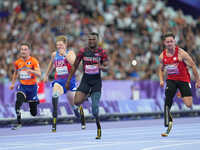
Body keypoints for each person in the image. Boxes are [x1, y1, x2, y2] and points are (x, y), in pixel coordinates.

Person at [66, 32, 109, 139]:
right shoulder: (83, 51)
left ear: (97, 40)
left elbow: (107, 66)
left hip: (96, 82)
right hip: (85, 80)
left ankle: (98, 129)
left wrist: (101, 67)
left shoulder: (101, 52)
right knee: (76, 102)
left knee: (94, 110)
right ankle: (88, 95)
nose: (91, 41)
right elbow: (75, 66)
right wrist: (68, 80)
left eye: (93, 39)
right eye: (89, 39)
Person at [158, 32, 200, 137]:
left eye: (171, 41)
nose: (169, 43)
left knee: (189, 104)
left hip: (183, 80)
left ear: (174, 42)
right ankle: (168, 123)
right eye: (167, 42)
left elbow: (193, 66)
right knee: (167, 100)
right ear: (164, 43)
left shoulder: (181, 53)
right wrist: (161, 80)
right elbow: (160, 69)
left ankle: (180, 92)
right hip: (171, 80)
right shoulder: (162, 56)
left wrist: (198, 80)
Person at [44, 35, 81, 132]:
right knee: (55, 95)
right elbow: (51, 64)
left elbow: (74, 63)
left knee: (72, 101)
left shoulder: (70, 53)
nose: (59, 47)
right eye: (57, 45)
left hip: (69, 81)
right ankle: (54, 120)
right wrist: (46, 75)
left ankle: (75, 109)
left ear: (65, 45)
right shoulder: (54, 54)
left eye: (61, 45)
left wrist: (64, 54)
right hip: (59, 81)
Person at [10, 42, 41, 130]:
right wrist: (12, 84)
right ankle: (19, 123)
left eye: (25, 49)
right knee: (18, 102)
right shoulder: (17, 62)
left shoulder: (34, 61)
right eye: (22, 49)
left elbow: (39, 74)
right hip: (22, 86)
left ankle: (35, 101)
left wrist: (31, 71)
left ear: (29, 51)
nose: (23, 51)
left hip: (32, 88)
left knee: (33, 113)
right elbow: (15, 73)